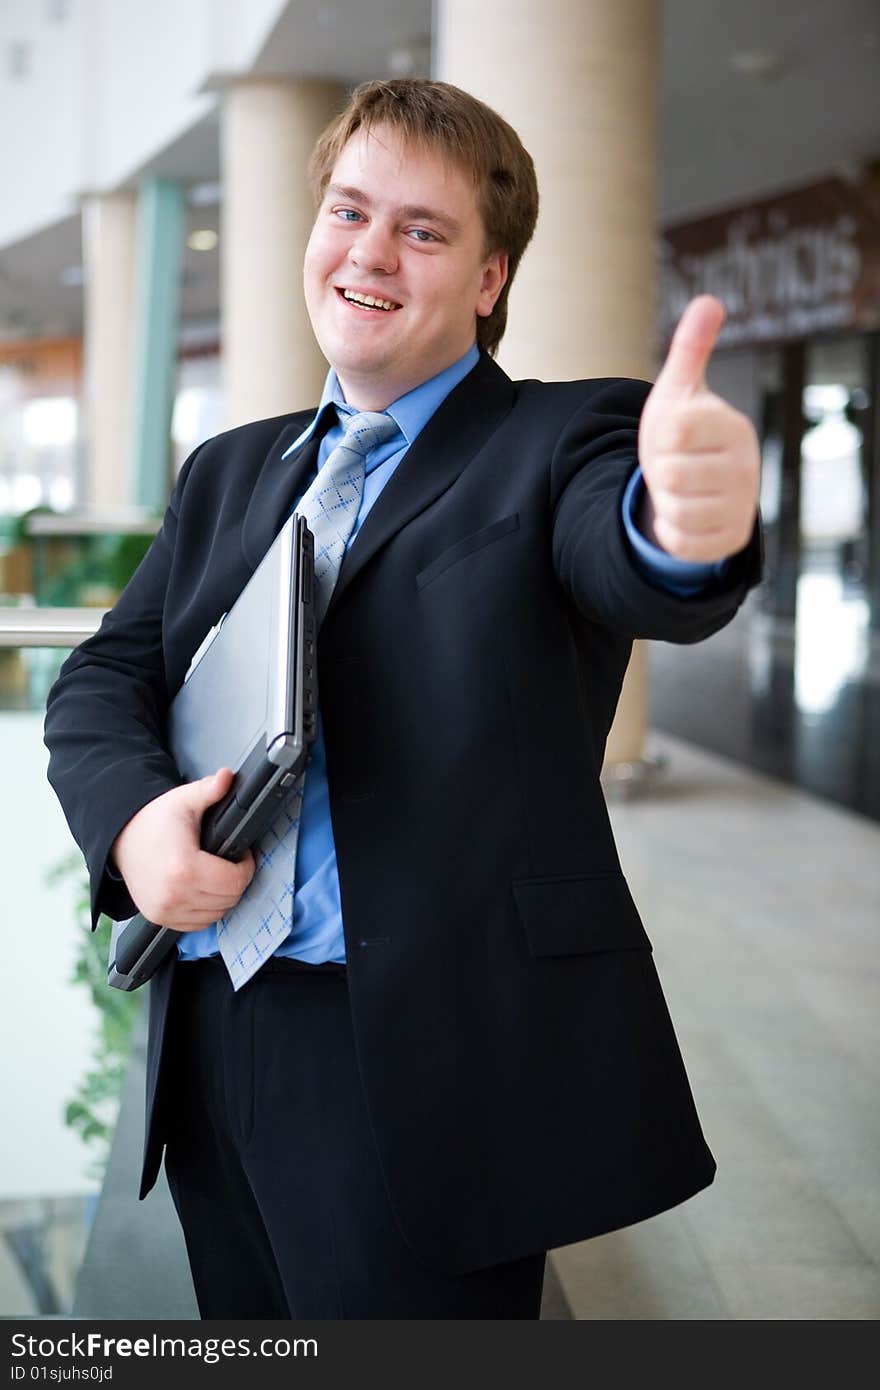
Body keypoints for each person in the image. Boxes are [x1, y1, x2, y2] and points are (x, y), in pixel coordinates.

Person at [44, 78, 762, 1319]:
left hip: (424, 1063)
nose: (370, 252)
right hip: (213, 1030)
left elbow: (629, 551)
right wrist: (131, 824)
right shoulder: (228, 468)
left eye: (422, 231)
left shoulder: (561, 439)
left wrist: (683, 527)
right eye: (348, 211)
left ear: (489, 278)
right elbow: (105, 673)